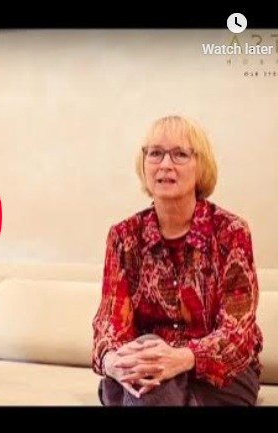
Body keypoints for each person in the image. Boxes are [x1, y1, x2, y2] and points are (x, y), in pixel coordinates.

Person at [91, 115, 263, 406]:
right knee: (148, 368)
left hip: (220, 375)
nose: (165, 165)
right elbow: (110, 320)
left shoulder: (230, 232)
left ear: (200, 166)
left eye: (180, 154)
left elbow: (238, 332)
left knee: (147, 389)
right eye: (155, 153)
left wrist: (182, 358)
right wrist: (112, 362)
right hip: (148, 367)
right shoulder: (123, 236)